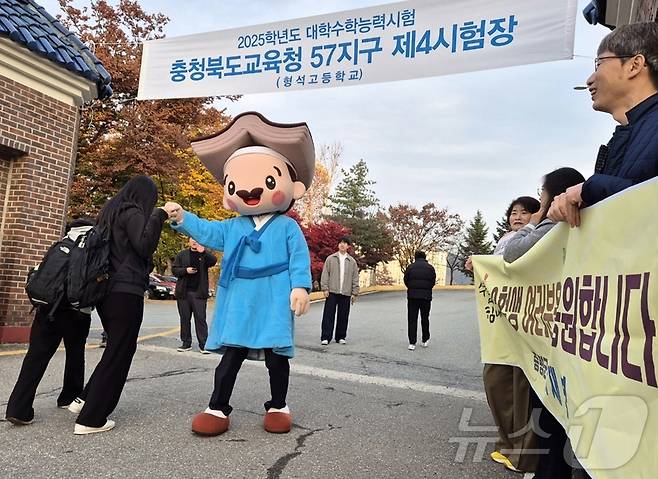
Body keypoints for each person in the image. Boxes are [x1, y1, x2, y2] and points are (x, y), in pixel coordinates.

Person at [165, 111, 315, 436]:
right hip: (239, 298)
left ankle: (278, 404)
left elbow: (299, 259)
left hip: (275, 295)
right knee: (230, 357)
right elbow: (205, 232)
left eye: (268, 181)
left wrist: (300, 286)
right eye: (234, 184)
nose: (248, 190)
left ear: (294, 187)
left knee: (277, 358)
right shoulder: (232, 227)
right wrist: (183, 217)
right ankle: (217, 407)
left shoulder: (288, 227)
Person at [503, 168, 586, 479]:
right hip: (572, 331)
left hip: (550, 335)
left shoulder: (553, 225)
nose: (538, 203)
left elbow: (511, 252)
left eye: (540, 196)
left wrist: (538, 218)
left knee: (549, 406)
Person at [70, 175, 168, 435]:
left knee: (114, 349)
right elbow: (144, 246)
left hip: (107, 292)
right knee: (120, 353)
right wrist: (159, 215)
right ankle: (91, 419)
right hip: (126, 292)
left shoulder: (109, 214)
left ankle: (83, 401)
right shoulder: (133, 212)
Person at [549, 22, 658, 227]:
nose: (590, 79)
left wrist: (588, 189)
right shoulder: (627, 134)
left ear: (634, 65)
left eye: (599, 64)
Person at [472, 196, 541, 474]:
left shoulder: (537, 236)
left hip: (525, 323)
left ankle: (523, 453)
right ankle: (507, 441)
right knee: (497, 381)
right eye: (514, 212)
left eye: (525, 212)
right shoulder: (504, 240)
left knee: (520, 388)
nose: (518, 217)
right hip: (500, 323)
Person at [5, 218, 95, 426]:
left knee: (35, 358)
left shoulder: (60, 244)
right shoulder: (90, 244)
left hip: (46, 308)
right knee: (75, 355)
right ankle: (68, 396)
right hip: (76, 311)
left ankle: (19, 408)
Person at [172, 237, 217, 353]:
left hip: (199, 293)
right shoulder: (182, 255)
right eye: (192, 239)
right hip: (184, 293)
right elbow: (175, 270)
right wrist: (185, 270)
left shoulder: (204, 255)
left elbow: (213, 261)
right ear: (189, 241)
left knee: (200, 319)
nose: (194, 241)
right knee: (184, 319)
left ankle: (204, 344)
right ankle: (186, 343)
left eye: (197, 239)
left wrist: (203, 252)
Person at [320, 237, 360, 345]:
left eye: (345, 243)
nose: (342, 245)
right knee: (328, 315)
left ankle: (341, 336)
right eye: (341, 243)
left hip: (346, 292)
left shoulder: (352, 261)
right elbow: (325, 274)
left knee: (343, 315)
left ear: (348, 246)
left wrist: (354, 292)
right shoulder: (330, 258)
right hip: (332, 291)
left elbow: (355, 277)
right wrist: (325, 288)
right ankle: (326, 337)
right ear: (338, 245)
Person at [403, 251, 436, 351]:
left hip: (412, 296)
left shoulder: (410, 267)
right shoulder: (430, 268)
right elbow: (433, 282)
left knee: (412, 319)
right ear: (425, 257)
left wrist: (411, 288)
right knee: (425, 318)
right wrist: (427, 289)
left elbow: (406, 280)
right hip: (426, 297)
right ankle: (425, 339)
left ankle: (412, 342)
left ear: (415, 257)